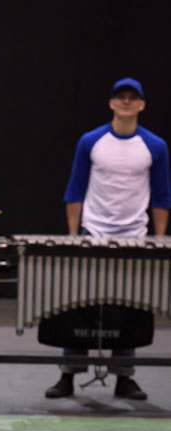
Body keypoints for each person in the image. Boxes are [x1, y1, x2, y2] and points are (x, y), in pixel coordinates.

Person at [46, 77, 170, 400]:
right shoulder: (91, 141)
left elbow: (161, 195)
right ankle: (69, 374)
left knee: (129, 309)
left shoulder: (155, 146)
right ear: (112, 103)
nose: (127, 102)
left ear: (142, 104)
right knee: (77, 306)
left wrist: (159, 238)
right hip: (93, 234)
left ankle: (124, 377)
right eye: (121, 97)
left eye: (133, 98)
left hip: (134, 237)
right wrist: (74, 236)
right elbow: (75, 188)